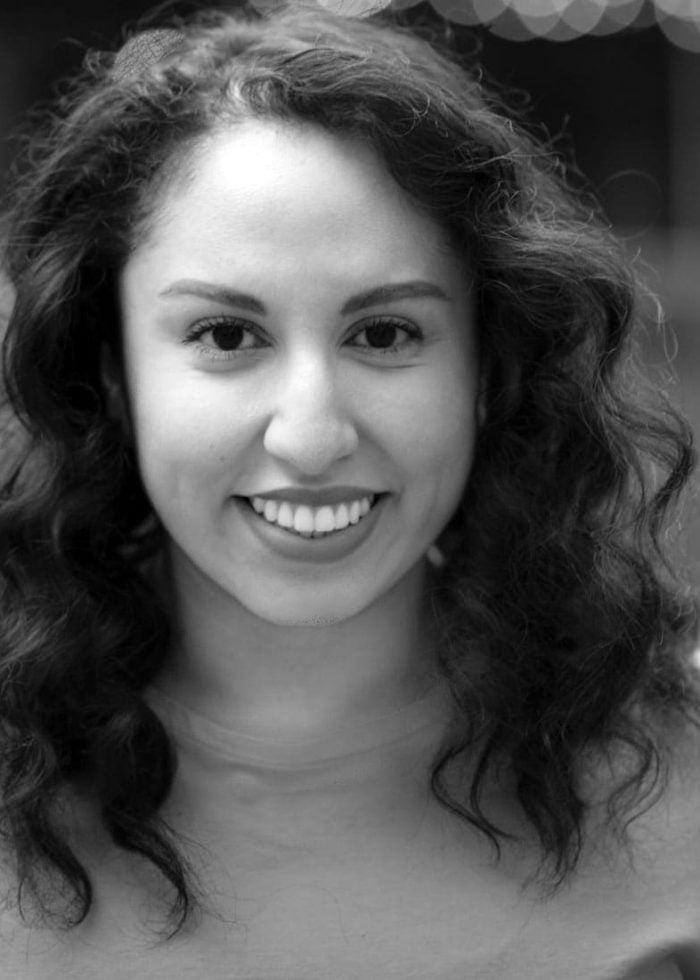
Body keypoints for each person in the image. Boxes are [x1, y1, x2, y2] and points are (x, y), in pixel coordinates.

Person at [0, 3, 698, 977]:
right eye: (225, 336)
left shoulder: (679, 785)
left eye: (384, 334)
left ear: (484, 372)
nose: (313, 434)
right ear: (111, 372)